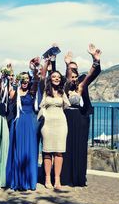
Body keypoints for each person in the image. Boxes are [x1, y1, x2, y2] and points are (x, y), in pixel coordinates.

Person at [61, 44, 101, 186]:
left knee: (80, 148)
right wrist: (67, 65)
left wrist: (95, 59)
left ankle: (78, 178)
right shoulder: (64, 85)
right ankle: (65, 177)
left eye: (75, 70)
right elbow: (65, 79)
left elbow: (92, 74)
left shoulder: (81, 84)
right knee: (66, 147)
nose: (73, 74)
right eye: (71, 70)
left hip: (81, 118)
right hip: (66, 119)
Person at [6, 71, 39, 191]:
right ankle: (18, 180)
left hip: (29, 122)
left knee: (29, 149)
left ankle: (29, 180)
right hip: (19, 122)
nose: (25, 82)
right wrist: (13, 83)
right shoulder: (16, 91)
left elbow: (36, 81)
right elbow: (11, 97)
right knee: (18, 149)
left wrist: (34, 69)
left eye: (26, 80)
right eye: (22, 80)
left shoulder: (32, 91)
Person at [39, 68, 70, 190]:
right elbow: (41, 78)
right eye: (53, 76)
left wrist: (67, 65)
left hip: (61, 123)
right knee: (47, 151)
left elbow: (66, 106)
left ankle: (57, 179)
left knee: (59, 151)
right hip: (47, 124)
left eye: (58, 77)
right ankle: (47, 178)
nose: (56, 78)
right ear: (50, 79)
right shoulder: (45, 91)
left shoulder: (63, 92)